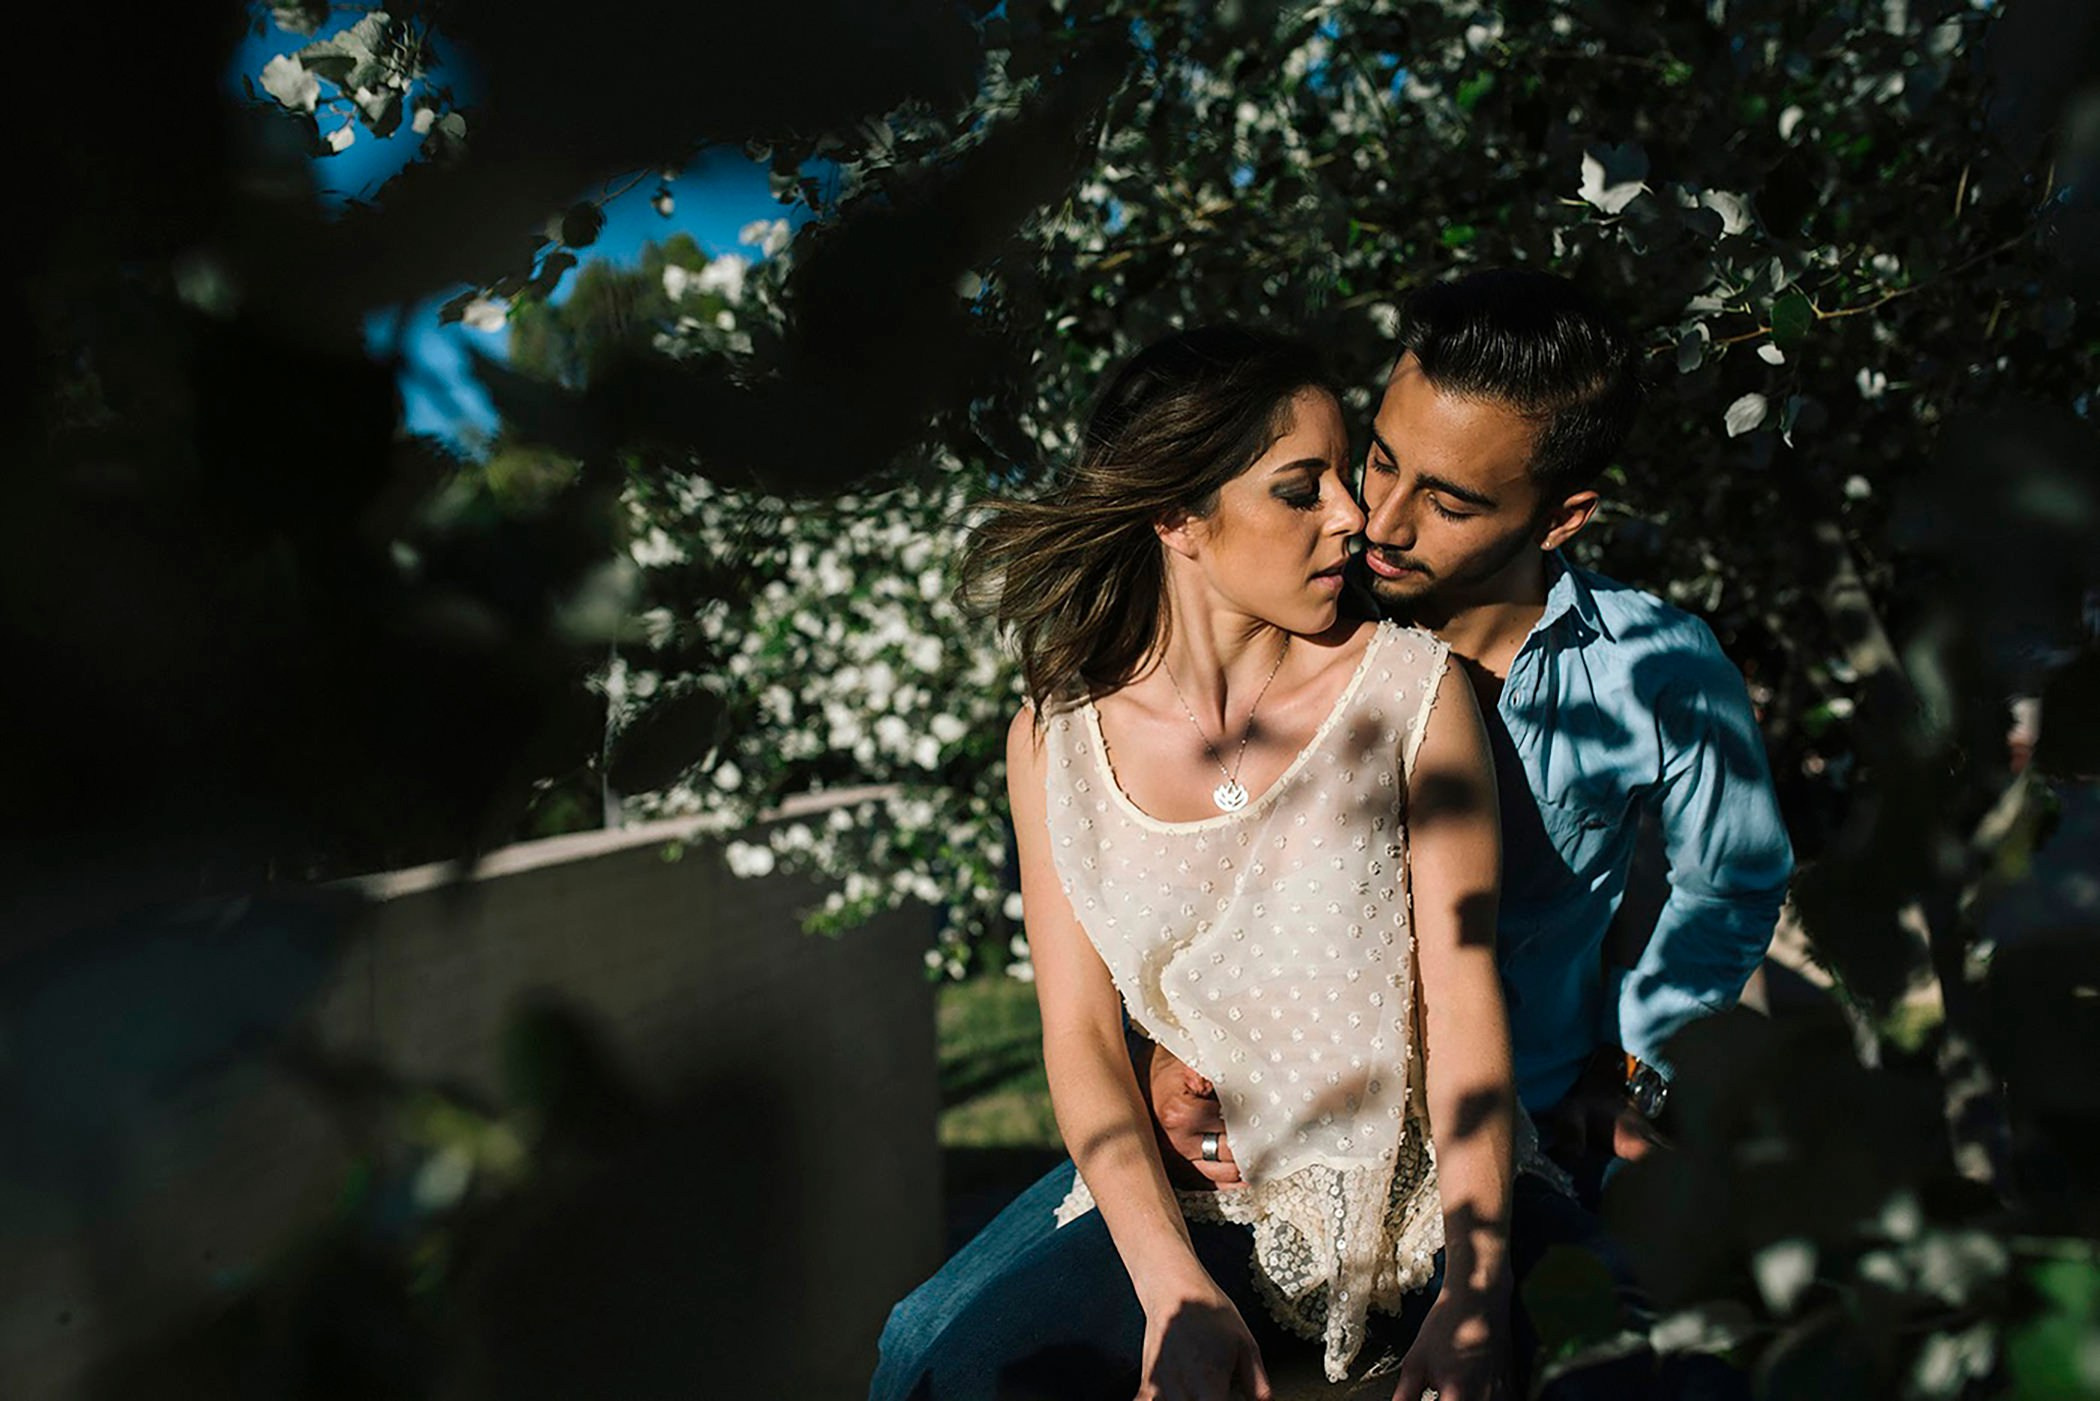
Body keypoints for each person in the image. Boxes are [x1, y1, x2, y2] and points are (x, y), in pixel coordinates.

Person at [871, 271, 1794, 1400]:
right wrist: (1167, 1050)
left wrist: (1634, 1064)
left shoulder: (1628, 671)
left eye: (1447, 501)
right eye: (1378, 462)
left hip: (1512, 1121)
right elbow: (1166, 931)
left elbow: (1725, 889)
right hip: (1236, 1149)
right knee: (926, 1346)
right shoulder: (1276, 611)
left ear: (1558, 517)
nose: (1377, 522)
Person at [891, 325, 1553, 1401]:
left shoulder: (1410, 692)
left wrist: (1476, 1285)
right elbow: (1079, 1037)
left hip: (1429, 1190)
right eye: (1302, 489)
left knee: (1656, 1375)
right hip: (1201, 1201)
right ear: (1177, 516)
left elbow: (1461, 1000)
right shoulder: (1054, 740)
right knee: (943, 1369)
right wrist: (1172, 1290)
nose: (1353, 515)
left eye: (1344, 474)